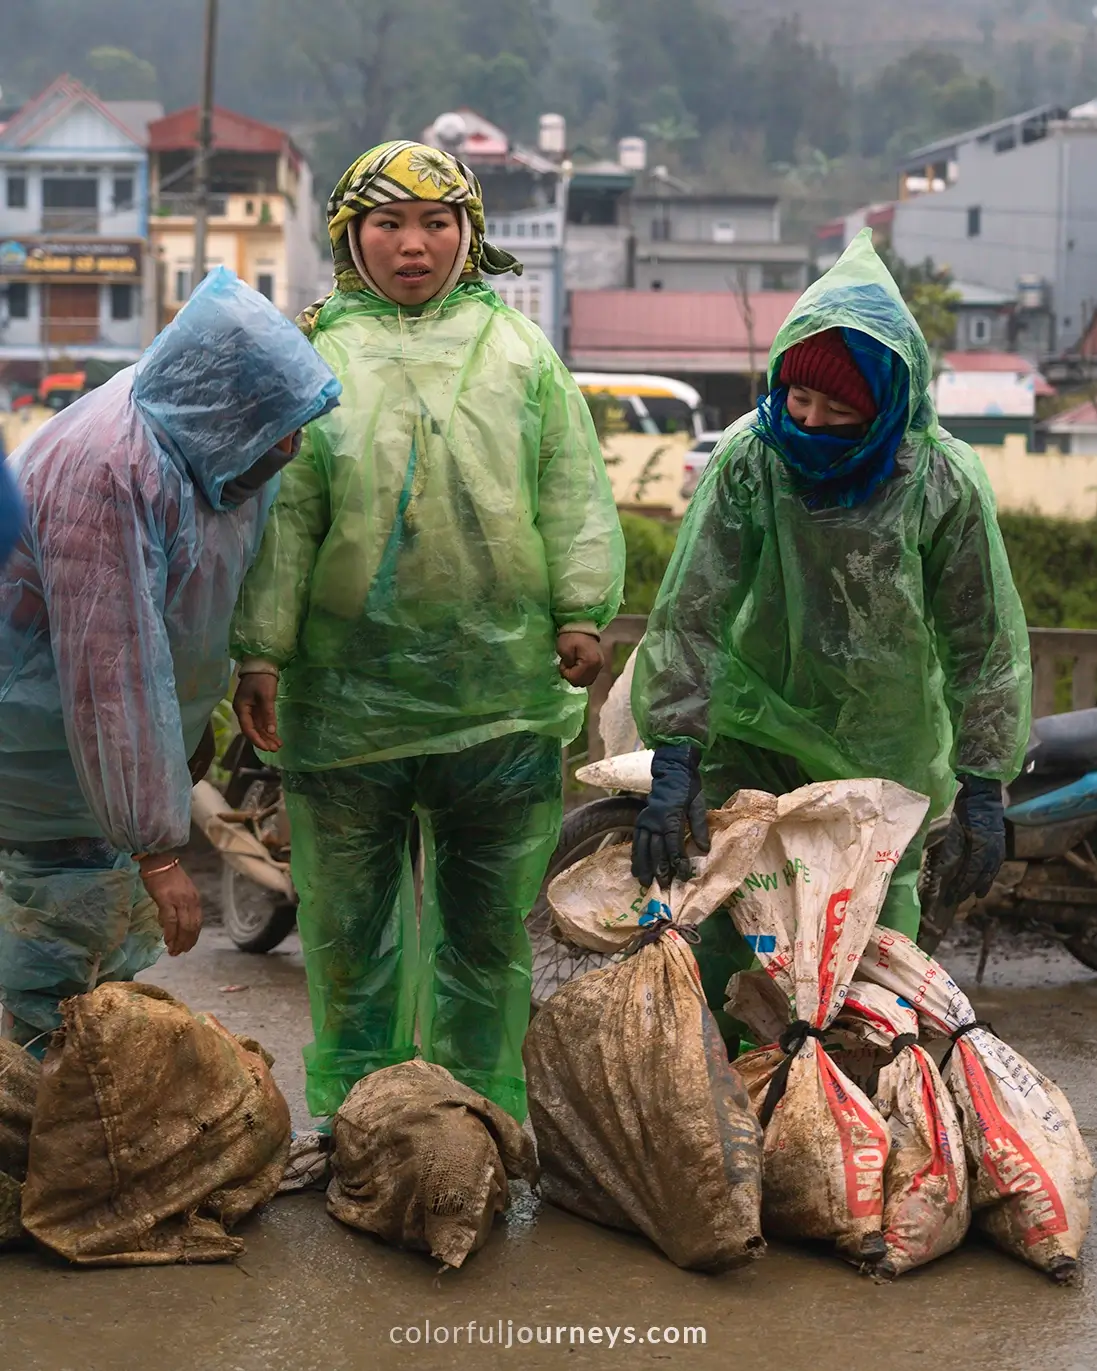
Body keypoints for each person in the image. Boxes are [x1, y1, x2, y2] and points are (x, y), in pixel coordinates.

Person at [232, 140, 625, 1123]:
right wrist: (260, 650)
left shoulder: (519, 355)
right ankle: (358, 1114)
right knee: (347, 923)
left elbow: (569, 493)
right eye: (388, 224)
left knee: (486, 927)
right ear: (348, 236)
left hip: (498, 697)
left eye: (436, 223)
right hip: (346, 694)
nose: (413, 246)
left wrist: (580, 609)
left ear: (469, 233)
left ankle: (476, 1109)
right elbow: (286, 518)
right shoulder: (313, 360)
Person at [630, 230, 1031, 1049]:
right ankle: (728, 1125)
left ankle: (854, 1134)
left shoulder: (938, 482)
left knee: (867, 968)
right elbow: (694, 607)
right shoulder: (752, 458)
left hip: (883, 759)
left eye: (837, 410)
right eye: (798, 400)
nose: (808, 422)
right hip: (752, 738)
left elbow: (981, 638)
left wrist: (982, 781)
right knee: (737, 945)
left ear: (885, 406)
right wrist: (674, 749)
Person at [0, 268, 341, 1053]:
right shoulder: (109, 468)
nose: (289, 446)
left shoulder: (219, 443)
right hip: (38, 746)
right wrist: (158, 848)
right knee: (56, 950)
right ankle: (38, 1138)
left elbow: (199, 601)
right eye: (276, 425)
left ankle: (66, 1116)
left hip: (98, 759)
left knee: (97, 964)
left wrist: (233, 688)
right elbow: (109, 674)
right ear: (226, 402)